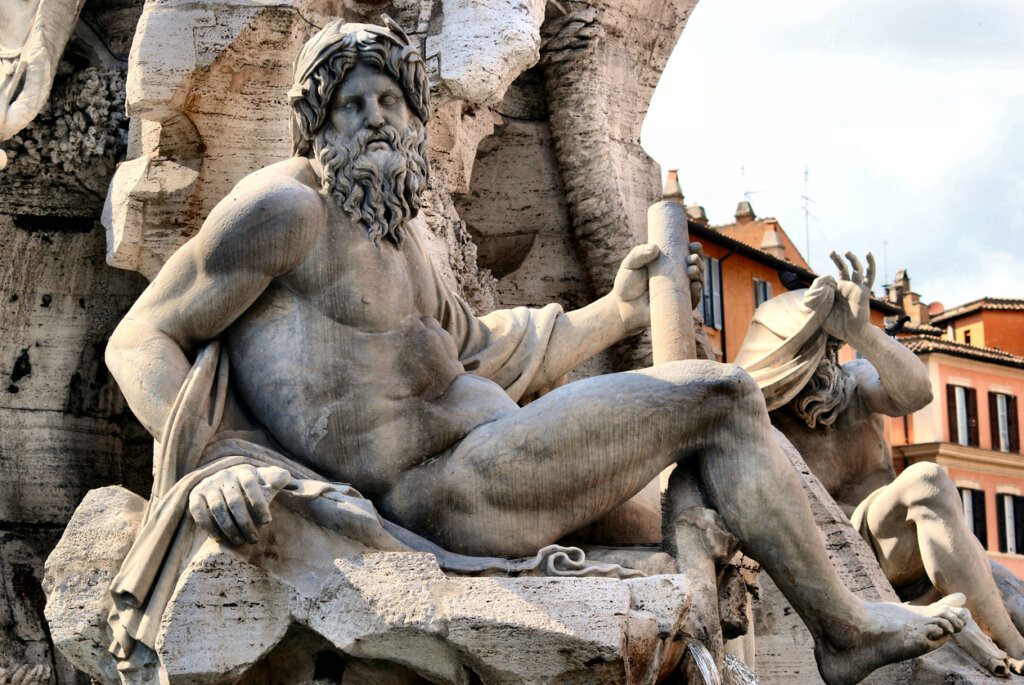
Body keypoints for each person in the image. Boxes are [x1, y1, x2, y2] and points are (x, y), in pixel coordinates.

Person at [105, 18, 966, 684]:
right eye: (350, 103)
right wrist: (212, 459)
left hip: (495, 452)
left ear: (412, 117)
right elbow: (141, 336)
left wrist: (610, 312)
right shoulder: (283, 210)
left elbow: (485, 351)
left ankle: (745, 612)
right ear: (316, 123)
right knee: (723, 396)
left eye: (389, 102)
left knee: (706, 498)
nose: (373, 118)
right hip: (447, 488)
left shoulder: (407, 237)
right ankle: (845, 633)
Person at [736, 251, 1024, 675]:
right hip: (847, 559)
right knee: (926, 480)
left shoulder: (853, 383)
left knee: (1015, 597)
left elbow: (917, 394)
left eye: (832, 347)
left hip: (917, 543)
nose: (828, 360)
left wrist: (862, 332)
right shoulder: (759, 419)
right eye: (818, 347)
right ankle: (1013, 645)